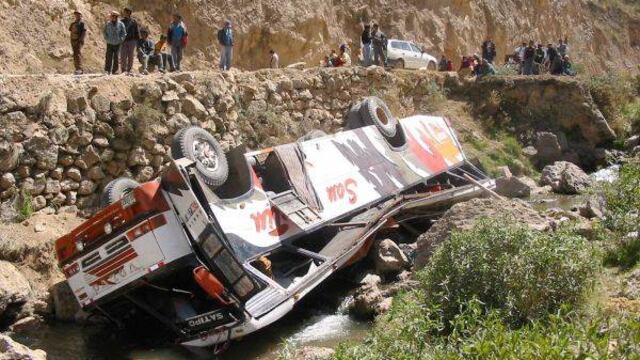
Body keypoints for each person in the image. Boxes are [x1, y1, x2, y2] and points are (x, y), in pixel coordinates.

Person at [119, 7, 140, 75]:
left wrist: (137, 42)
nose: (123, 13)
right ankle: (123, 69)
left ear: (128, 13)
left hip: (132, 41)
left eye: (125, 12)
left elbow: (137, 32)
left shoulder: (133, 22)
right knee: (123, 55)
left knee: (130, 56)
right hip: (124, 40)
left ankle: (129, 69)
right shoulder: (121, 21)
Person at [69, 10, 86, 75]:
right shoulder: (73, 23)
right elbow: (71, 31)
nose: (77, 15)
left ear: (80, 15)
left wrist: (80, 40)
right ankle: (77, 68)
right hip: (73, 40)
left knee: (78, 54)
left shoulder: (82, 23)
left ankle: (79, 69)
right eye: (76, 14)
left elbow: (84, 32)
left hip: (78, 40)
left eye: (78, 14)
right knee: (75, 54)